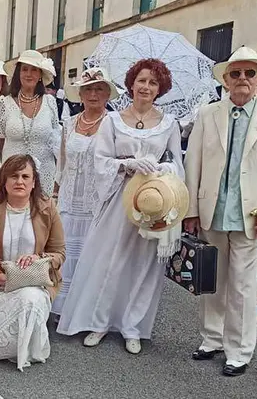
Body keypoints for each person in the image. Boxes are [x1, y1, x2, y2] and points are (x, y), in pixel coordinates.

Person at [57, 58, 183, 355]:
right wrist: (127, 164)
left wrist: (165, 170)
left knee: (143, 265)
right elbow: (101, 161)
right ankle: (99, 322)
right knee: (109, 261)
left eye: (153, 82)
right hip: (120, 200)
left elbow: (178, 162)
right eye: (142, 80)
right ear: (131, 84)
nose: (146, 87)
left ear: (160, 88)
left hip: (154, 201)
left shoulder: (169, 123)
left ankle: (133, 326)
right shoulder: (112, 121)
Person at [184, 47, 257, 377]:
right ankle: (212, 338)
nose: (242, 79)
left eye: (249, 73)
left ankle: (239, 350)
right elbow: (194, 163)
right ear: (226, 79)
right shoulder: (208, 113)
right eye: (236, 74)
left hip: (252, 214)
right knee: (212, 281)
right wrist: (190, 210)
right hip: (212, 210)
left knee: (244, 287)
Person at [0, 154, 65, 370]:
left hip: (35, 284)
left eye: (25, 176)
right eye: (13, 176)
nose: (19, 181)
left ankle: (25, 349)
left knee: (30, 299)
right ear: (4, 181)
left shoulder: (47, 208)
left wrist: (39, 258)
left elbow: (59, 253)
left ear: (33, 183)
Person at [51, 67, 117, 318]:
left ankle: (87, 312)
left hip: (96, 201)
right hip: (69, 198)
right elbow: (62, 163)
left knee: (93, 255)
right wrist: (55, 194)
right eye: (88, 89)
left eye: (99, 88)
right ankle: (63, 308)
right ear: (80, 94)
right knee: (65, 250)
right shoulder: (69, 123)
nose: (93, 94)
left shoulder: (114, 124)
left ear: (108, 94)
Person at [0, 50, 62, 196]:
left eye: (34, 70)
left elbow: (56, 140)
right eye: (24, 69)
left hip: (44, 173)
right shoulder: (3, 103)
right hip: (13, 175)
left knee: (40, 216)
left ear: (40, 75)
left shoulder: (50, 102)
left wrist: (58, 177)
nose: (29, 74)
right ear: (18, 73)